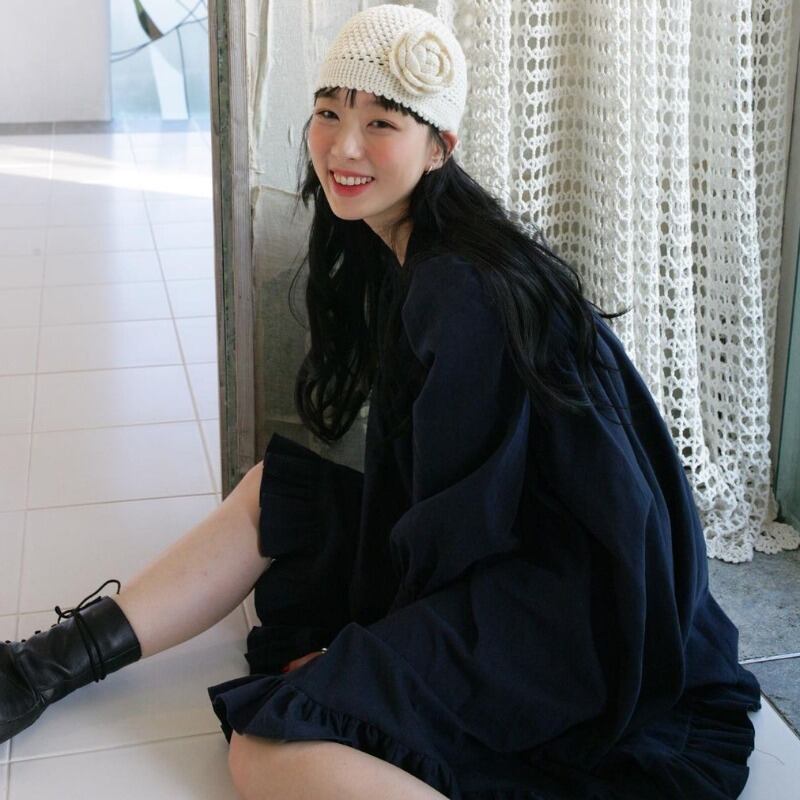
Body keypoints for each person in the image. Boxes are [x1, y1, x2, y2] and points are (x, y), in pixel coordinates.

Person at [0, 4, 761, 799]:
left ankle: (42, 671)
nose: (344, 147)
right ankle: (42, 668)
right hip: (534, 556)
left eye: (382, 123)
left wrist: (367, 655)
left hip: (562, 612)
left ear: (440, 146)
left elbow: (464, 531)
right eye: (330, 112)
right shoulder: (413, 244)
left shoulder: (461, 290)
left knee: (266, 751)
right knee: (276, 489)